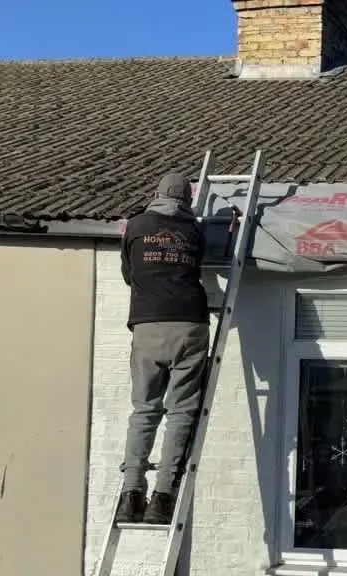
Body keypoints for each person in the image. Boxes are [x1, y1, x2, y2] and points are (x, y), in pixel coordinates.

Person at [115, 172, 210, 524]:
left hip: (147, 324)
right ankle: (163, 497)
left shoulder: (137, 225)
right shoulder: (195, 230)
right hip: (189, 323)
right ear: (187, 199)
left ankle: (130, 493)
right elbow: (201, 263)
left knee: (144, 410)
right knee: (181, 412)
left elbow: (128, 274)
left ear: (155, 194)